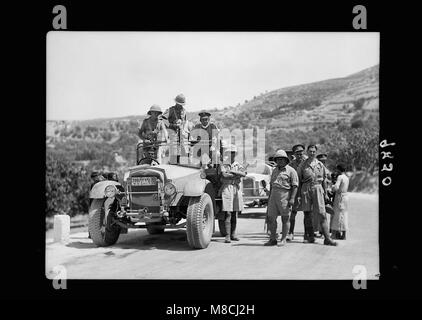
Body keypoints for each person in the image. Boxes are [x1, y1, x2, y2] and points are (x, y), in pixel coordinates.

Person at [296, 145, 337, 246]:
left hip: (318, 188)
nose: (312, 153)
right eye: (310, 151)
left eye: (314, 151)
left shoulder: (320, 165)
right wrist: (299, 195)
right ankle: (309, 237)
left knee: (322, 213)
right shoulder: (302, 165)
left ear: (316, 152)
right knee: (307, 214)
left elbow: (324, 180)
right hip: (305, 188)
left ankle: (327, 238)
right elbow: (299, 181)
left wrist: (326, 193)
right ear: (307, 152)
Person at [264, 149, 298, 246]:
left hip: (285, 194)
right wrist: (269, 197)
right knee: (271, 218)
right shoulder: (274, 170)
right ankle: (273, 238)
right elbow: (271, 184)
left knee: (285, 218)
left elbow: (295, 186)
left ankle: (283, 239)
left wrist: (292, 199)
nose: (280, 161)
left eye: (282, 159)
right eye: (278, 159)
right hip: (273, 194)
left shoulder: (291, 171)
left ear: (286, 160)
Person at [218, 144, 246, 243]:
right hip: (227, 188)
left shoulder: (238, 164)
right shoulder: (224, 164)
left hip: (236, 188)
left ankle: (233, 234)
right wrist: (236, 174)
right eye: (230, 153)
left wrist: (233, 172)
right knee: (228, 212)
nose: (232, 155)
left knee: (235, 212)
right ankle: (227, 235)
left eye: (233, 153)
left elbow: (244, 174)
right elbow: (224, 175)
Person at [286, 144, 308, 241]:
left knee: (307, 213)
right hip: (295, 190)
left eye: (301, 151)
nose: (300, 154)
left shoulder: (308, 162)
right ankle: (290, 233)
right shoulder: (291, 165)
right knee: (293, 213)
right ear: (294, 153)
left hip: (306, 190)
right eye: (298, 152)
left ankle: (306, 234)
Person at [162, 94, 191, 162]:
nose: (180, 105)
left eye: (182, 104)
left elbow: (185, 122)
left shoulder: (184, 111)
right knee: (174, 153)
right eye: (179, 104)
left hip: (182, 135)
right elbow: (163, 119)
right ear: (176, 103)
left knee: (185, 152)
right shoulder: (170, 110)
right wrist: (171, 125)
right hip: (173, 133)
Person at [330, 164, 349, 240]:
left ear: (338, 169)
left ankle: (334, 234)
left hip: (339, 197)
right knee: (344, 215)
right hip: (345, 197)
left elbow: (336, 187)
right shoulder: (347, 178)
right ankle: (343, 235)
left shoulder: (340, 177)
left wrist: (332, 187)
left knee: (337, 215)